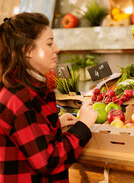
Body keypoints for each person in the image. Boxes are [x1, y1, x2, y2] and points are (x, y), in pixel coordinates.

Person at [0, 13, 98, 182]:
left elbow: (24, 138)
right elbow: (49, 161)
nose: (57, 49)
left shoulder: (28, 88)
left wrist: (53, 126)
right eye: (49, 43)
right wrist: (83, 125)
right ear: (28, 51)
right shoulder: (21, 98)